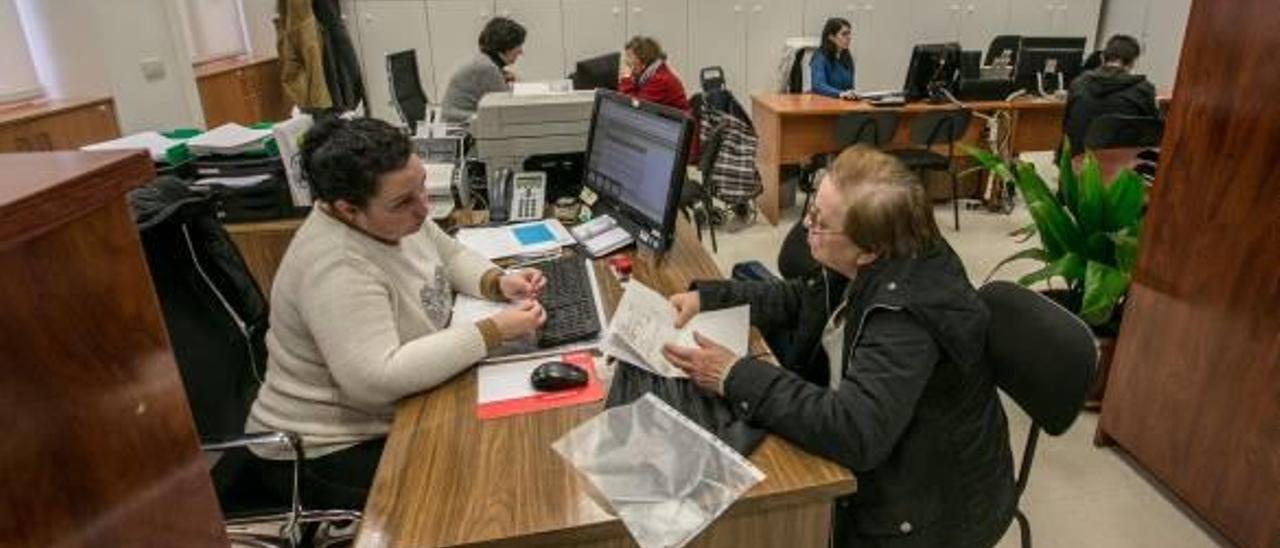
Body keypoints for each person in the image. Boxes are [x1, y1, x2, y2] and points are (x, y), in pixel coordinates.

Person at [662, 146, 1016, 547]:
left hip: (926, 511)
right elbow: (801, 299)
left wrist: (732, 373)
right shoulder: (883, 252)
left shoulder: (907, 318)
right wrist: (709, 298)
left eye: (820, 223)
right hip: (892, 453)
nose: (806, 227)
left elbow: (856, 433)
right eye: (812, 212)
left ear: (869, 251)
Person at [245, 117, 547, 509]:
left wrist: (496, 281)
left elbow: (449, 253)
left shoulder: (395, 216)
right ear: (347, 209)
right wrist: (492, 330)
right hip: (327, 449)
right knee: (485, 488)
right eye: (404, 201)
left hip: (395, 414)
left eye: (421, 184)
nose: (423, 208)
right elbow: (375, 379)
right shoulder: (336, 264)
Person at [1062, 34, 1161, 155]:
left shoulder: (1078, 83)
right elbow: (1156, 129)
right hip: (1123, 165)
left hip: (1078, 163)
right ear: (1132, 63)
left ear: (1102, 58)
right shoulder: (1144, 89)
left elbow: (1066, 125)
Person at [441, 16, 526, 123]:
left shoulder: (485, 59)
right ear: (507, 47)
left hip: (456, 116)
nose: (521, 52)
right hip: (459, 124)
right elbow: (507, 108)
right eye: (518, 46)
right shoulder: (488, 69)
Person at [618, 36, 691, 113]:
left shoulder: (661, 80)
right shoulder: (650, 74)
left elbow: (635, 108)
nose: (626, 61)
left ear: (643, 59)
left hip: (676, 124)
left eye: (629, 56)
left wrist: (626, 78)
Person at [811, 17, 856, 99]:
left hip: (843, 104)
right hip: (823, 104)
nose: (849, 37)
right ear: (831, 37)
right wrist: (840, 93)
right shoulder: (820, 56)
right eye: (844, 34)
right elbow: (818, 85)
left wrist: (852, 94)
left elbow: (850, 87)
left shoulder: (847, 57)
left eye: (849, 33)